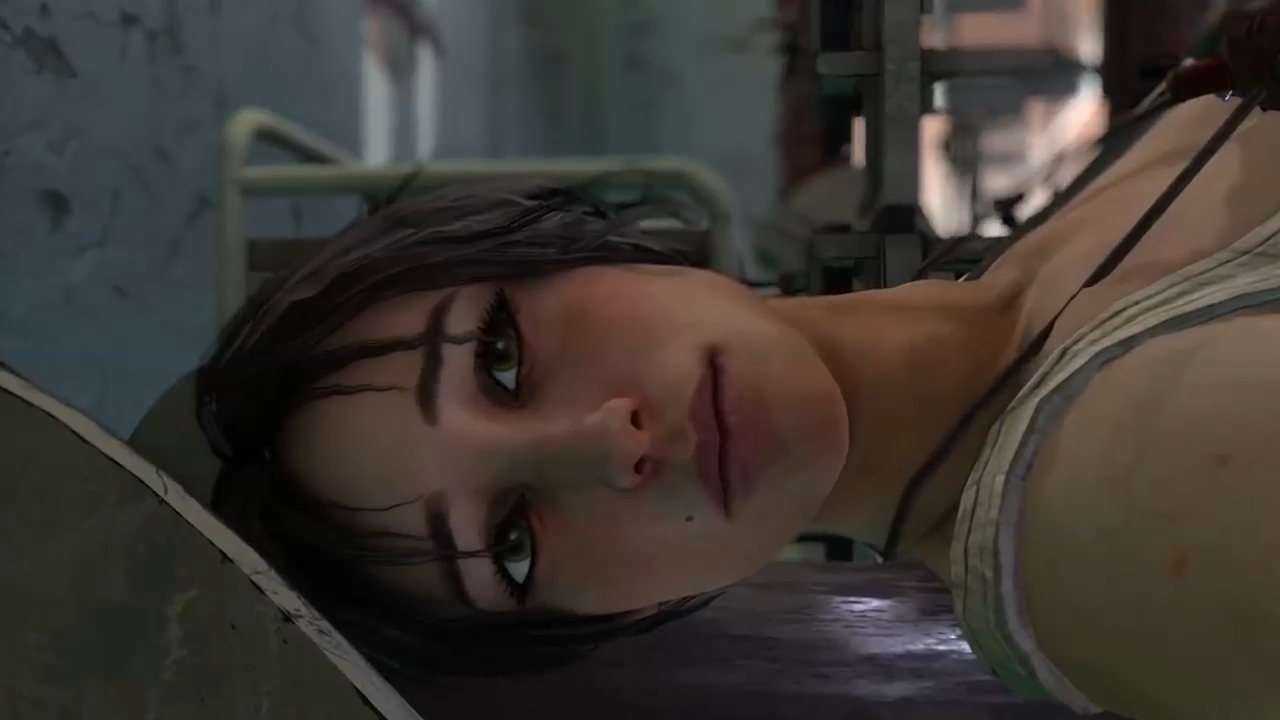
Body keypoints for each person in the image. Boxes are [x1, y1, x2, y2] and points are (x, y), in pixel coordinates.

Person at [196, 93, 1280, 720]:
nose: (606, 443)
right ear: (604, 620)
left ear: (565, 249)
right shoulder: (1101, 517)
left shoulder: (1131, 171)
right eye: (514, 545)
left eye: (499, 355)